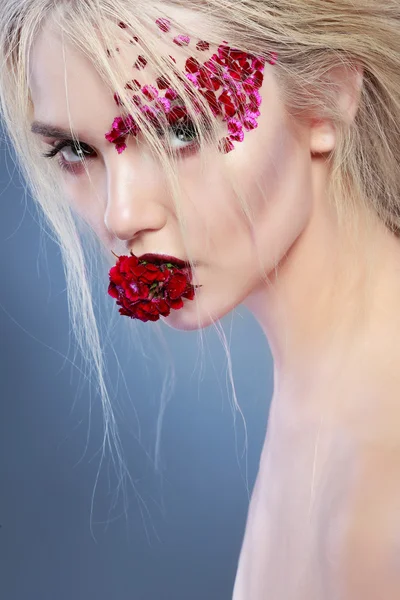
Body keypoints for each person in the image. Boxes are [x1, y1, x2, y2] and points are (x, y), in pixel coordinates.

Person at [1, 0, 400, 598]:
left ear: (325, 97)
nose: (122, 213)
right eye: (75, 152)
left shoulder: (382, 487)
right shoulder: (326, 402)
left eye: (181, 127)